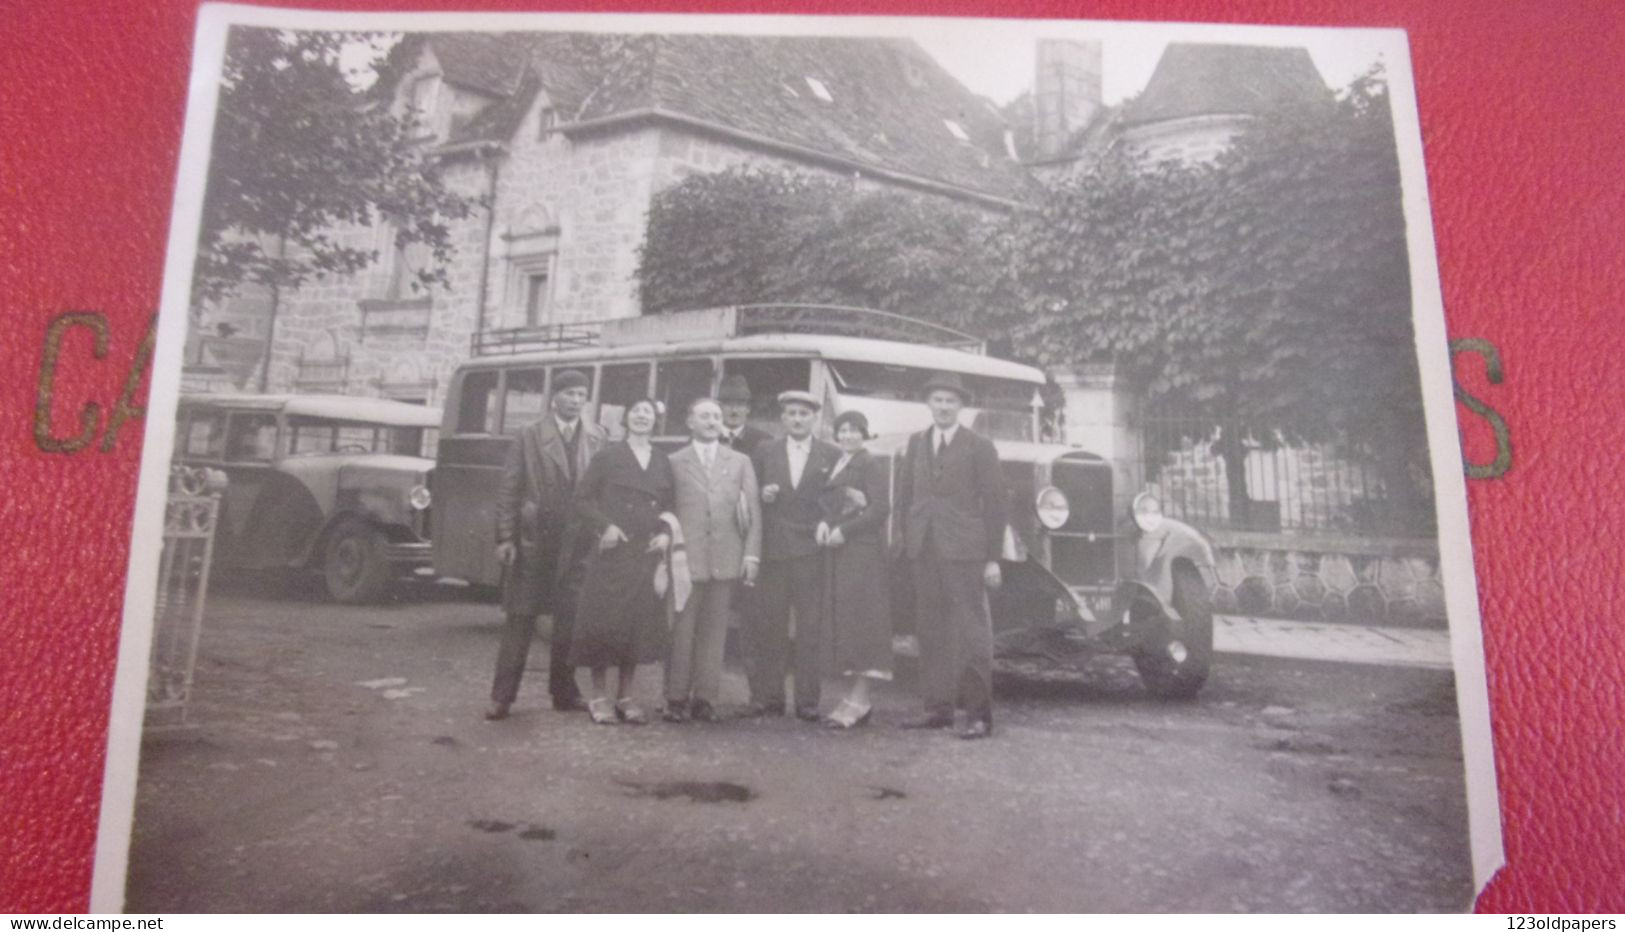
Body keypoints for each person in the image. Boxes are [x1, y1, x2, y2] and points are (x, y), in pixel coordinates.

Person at [486, 368, 605, 721]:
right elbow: (509, 488)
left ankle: (564, 692)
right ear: (555, 397)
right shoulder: (529, 435)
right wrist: (505, 537)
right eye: (569, 394)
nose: (576, 401)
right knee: (521, 619)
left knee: (568, 621)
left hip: (577, 542)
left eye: (582, 395)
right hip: (533, 539)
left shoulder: (597, 437)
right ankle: (502, 697)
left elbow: (601, 491)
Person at [894, 372, 1006, 740]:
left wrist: (992, 558)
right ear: (929, 404)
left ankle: (978, 715)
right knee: (931, 630)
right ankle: (937, 709)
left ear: (961, 406)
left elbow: (995, 505)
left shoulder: (979, 446)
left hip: (965, 552)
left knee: (973, 632)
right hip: (923, 548)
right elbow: (905, 497)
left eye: (950, 401)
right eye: (937, 400)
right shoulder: (916, 443)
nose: (943, 407)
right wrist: (904, 539)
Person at [569, 398, 674, 725]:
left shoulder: (661, 460)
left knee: (636, 624)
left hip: (645, 554)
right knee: (604, 623)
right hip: (613, 553)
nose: (642, 417)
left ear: (656, 422)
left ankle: (626, 695)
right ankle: (599, 696)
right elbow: (582, 500)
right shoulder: (608, 456)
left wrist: (666, 533)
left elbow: (671, 506)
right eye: (636, 412)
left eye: (649, 413)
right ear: (626, 419)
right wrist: (606, 526)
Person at [746, 390, 841, 721]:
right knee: (770, 625)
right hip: (773, 550)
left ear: (815, 418)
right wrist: (762, 493)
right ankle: (768, 697)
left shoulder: (831, 453)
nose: (797, 419)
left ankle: (807, 700)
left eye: (803, 413)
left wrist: (827, 521)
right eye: (791, 413)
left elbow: (836, 499)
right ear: (782, 418)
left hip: (811, 551)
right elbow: (748, 493)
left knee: (809, 628)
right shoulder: (765, 451)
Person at [666, 398, 762, 722]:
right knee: (681, 628)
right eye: (704, 415)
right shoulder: (675, 461)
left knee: (715, 631)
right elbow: (666, 510)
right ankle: (675, 697)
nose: (712, 421)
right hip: (686, 558)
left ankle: (705, 698)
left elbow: (753, 511)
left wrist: (751, 553)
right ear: (689, 422)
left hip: (726, 558)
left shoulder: (740, 461)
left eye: (717, 416)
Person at [815, 410, 892, 729]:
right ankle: (854, 698)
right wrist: (823, 523)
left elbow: (880, 508)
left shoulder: (869, 464)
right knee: (846, 621)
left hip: (862, 554)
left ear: (865, 434)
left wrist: (845, 531)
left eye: (854, 430)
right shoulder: (839, 462)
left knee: (862, 622)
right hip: (841, 553)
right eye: (842, 430)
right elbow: (832, 504)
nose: (848, 436)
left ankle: (859, 700)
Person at [718, 374, 774, 455]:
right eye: (728, 404)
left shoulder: (764, 441)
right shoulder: (708, 437)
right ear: (719, 407)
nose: (734, 411)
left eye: (740, 405)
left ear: (748, 408)